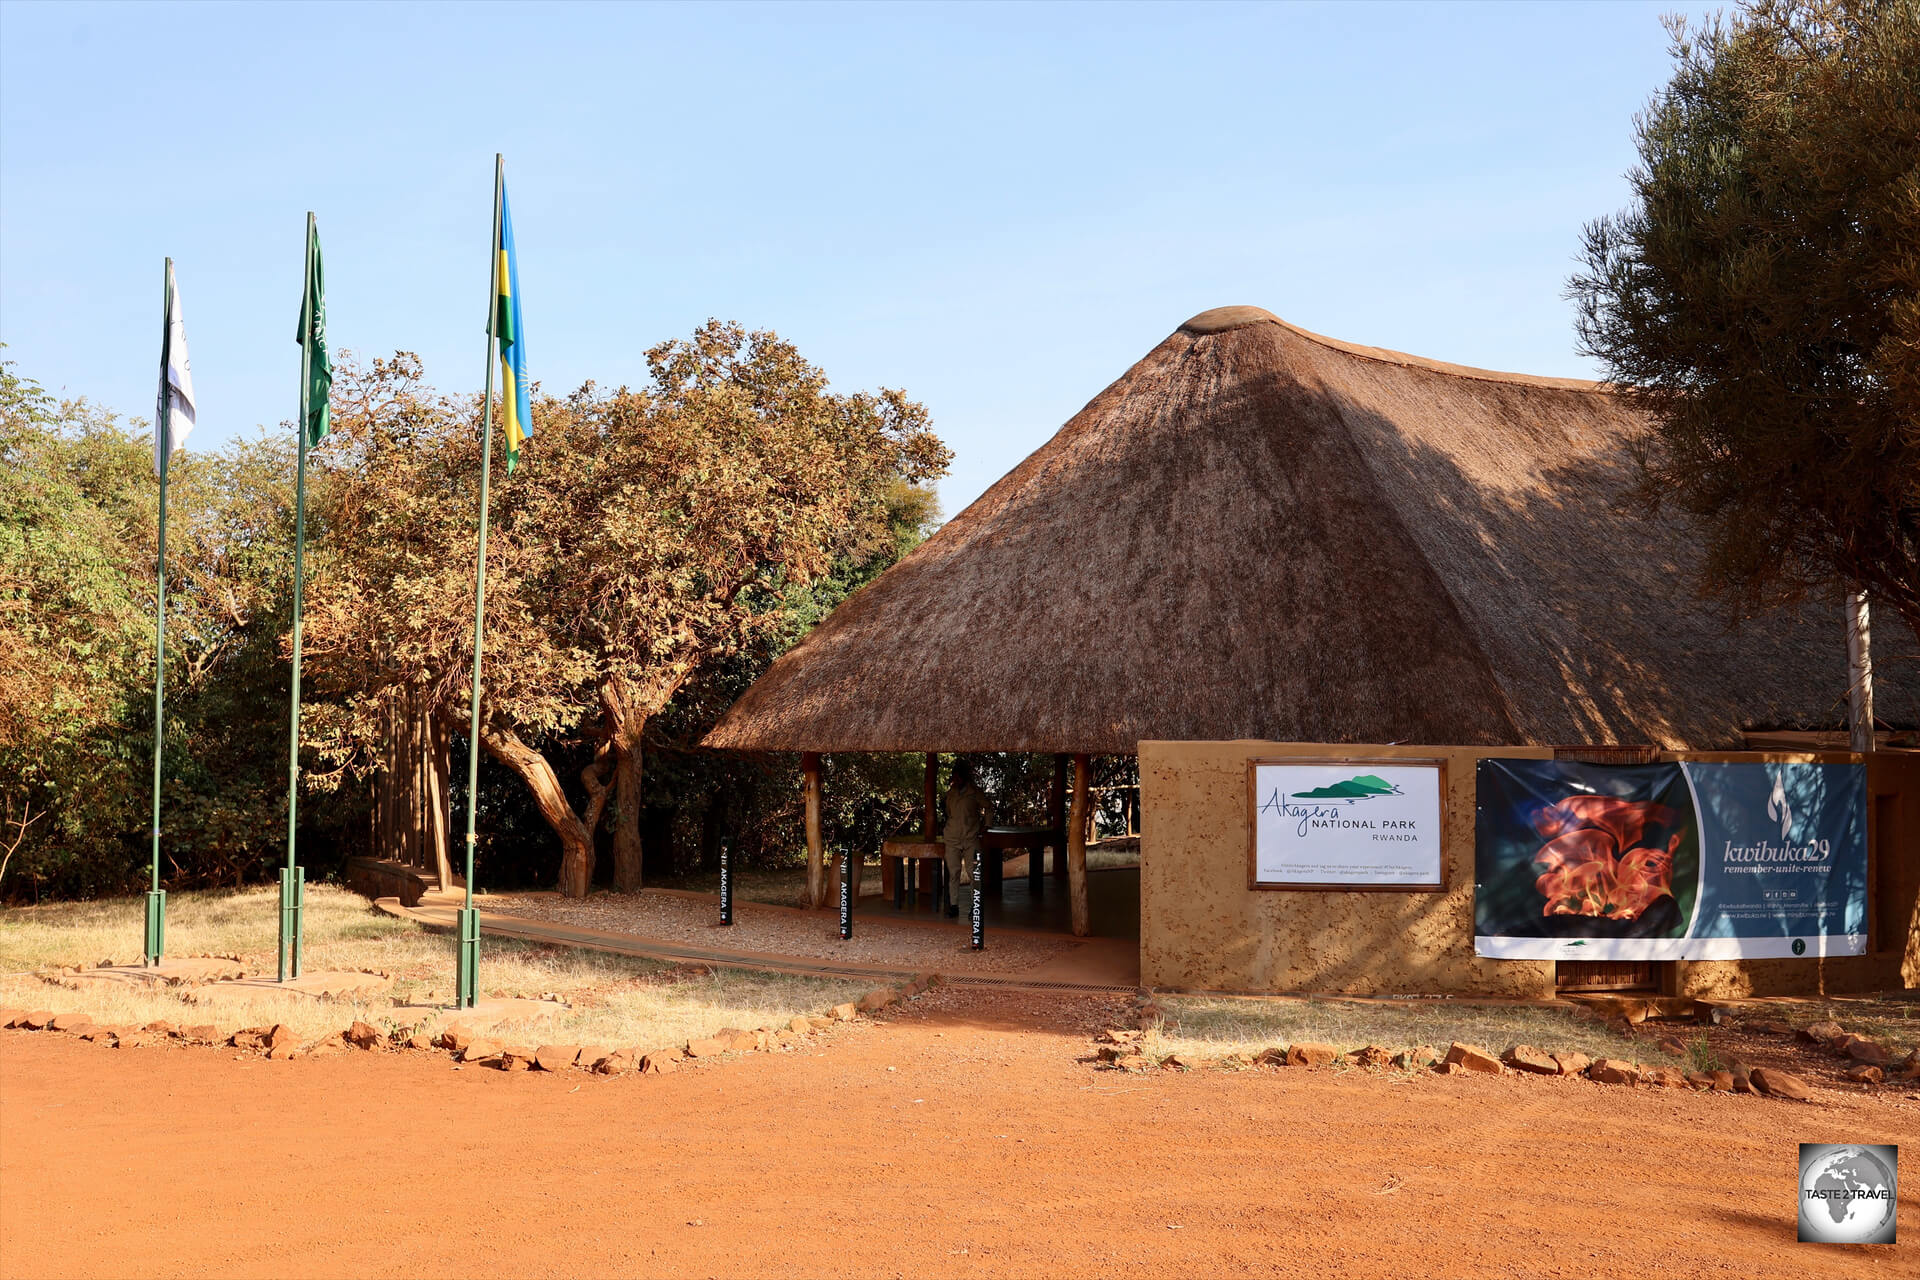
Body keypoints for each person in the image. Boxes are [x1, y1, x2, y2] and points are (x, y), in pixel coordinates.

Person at [942, 758, 991, 918]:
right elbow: (949, 813)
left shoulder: (974, 793)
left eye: (959, 777)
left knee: (973, 873)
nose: (956, 780)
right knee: (953, 872)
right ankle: (954, 905)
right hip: (952, 839)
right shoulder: (951, 793)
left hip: (971, 839)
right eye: (954, 777)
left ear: (965, 777)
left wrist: (986, 826)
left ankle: (975, 907)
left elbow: (989, 808)